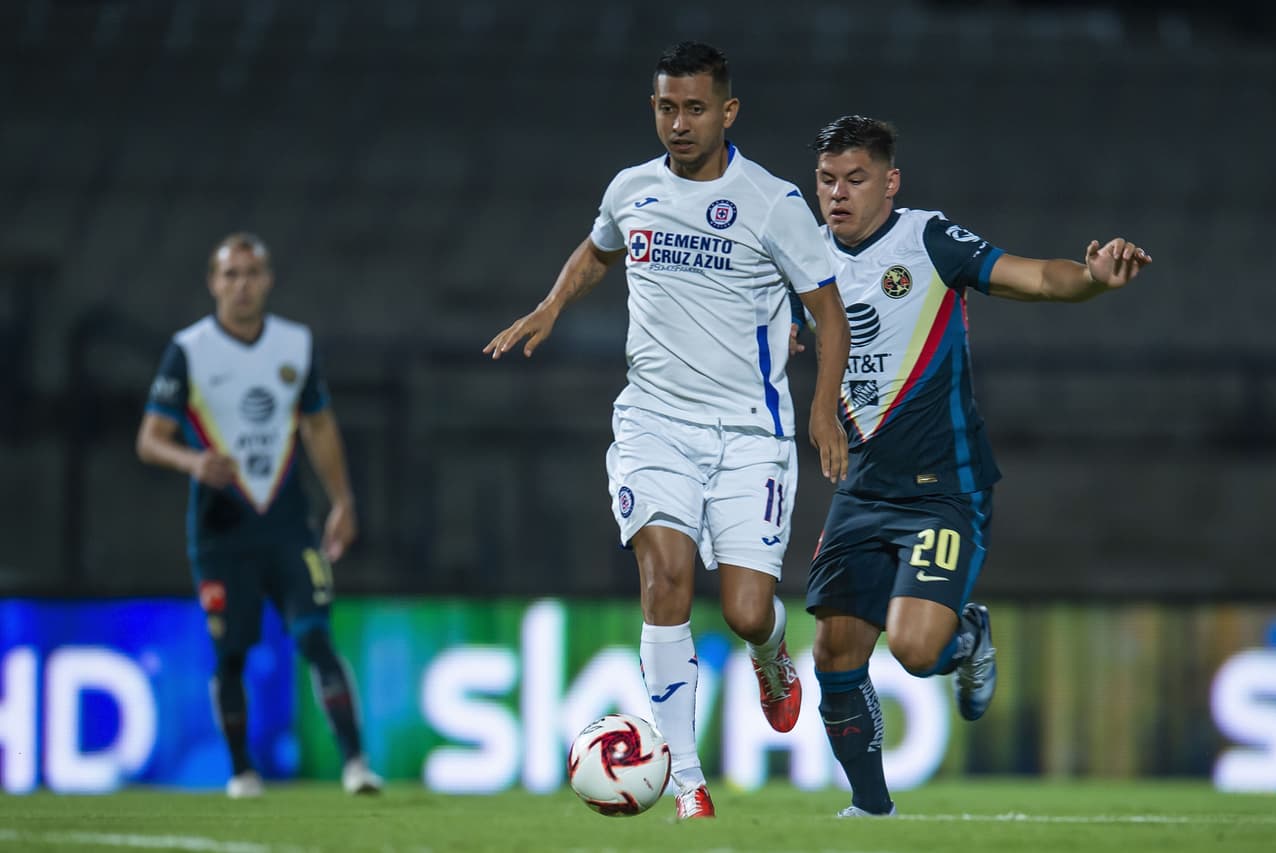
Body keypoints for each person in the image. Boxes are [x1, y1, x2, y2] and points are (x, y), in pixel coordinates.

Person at [484, 42, 851, 819]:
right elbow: (599, 248)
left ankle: (771, 656)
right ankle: (690, 783)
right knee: (665, 581)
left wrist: (821, 410)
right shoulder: (632, 188)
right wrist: (551, 306)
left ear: (728, 112)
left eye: (693, 108)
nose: (677, 123)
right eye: (664, 107)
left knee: (748, 608)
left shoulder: (774, 202)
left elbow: (827, 310)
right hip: (654, 423)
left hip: (752, 431)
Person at [799, 115, 1152, 817]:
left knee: (917, 649)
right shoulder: (804, 257)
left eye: (856, 178)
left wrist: (1092, 277)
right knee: (835, 652)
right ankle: (872, 812)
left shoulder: (927, 240)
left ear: (890, 183)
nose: (838, 193)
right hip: (862, 489)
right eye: (827, 180)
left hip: (943, 490)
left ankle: (968, 634)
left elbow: (1037, 278)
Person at [136, 233, 384, 799]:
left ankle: (356, 766)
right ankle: (243, 771)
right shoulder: (190, 349)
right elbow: (150, 439)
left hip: (289, 522)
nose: (241, 285)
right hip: (221, 531)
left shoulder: (295, 345)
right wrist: (193, 461)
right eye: (230, 275)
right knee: (231, 653)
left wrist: (343, 500)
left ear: (268, 280)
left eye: (251, 273)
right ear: (213, 282)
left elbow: (318, 425)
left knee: (316, 636)